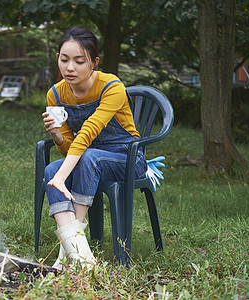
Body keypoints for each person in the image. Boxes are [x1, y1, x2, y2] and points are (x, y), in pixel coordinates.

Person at [42, 26, 148, 270]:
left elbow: (88, 133)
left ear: (94, 63)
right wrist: (57, 135)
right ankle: (83, 258)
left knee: (86, 158)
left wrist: (63, 176)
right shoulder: (56, 94)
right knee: (51, 171)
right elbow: (70, 149)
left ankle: (71, 253)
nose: (70, 68)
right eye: (64, 59)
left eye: (79, 61)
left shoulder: (112, 86)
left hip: (127, 159)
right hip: (88, 158)